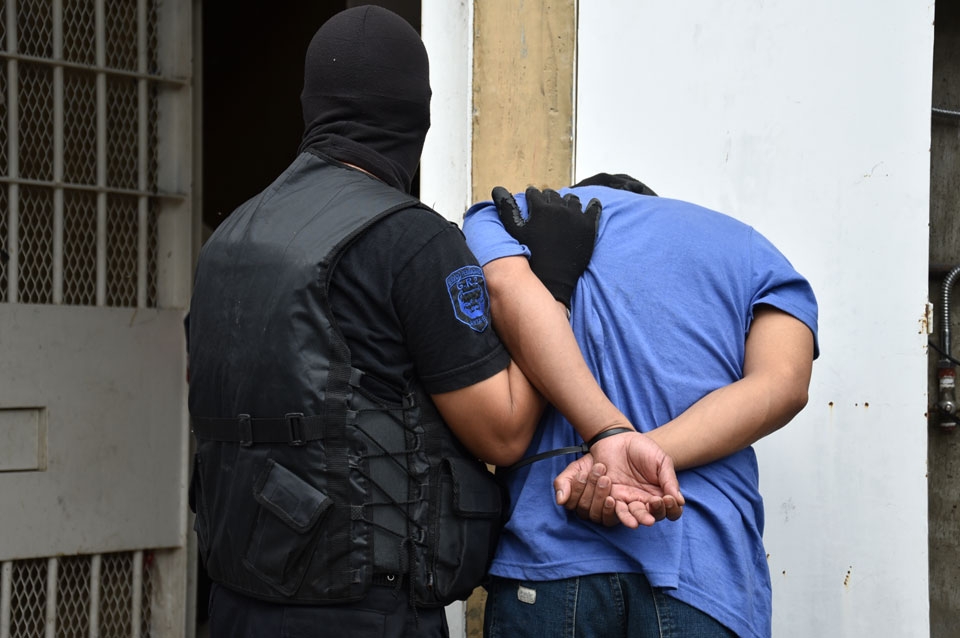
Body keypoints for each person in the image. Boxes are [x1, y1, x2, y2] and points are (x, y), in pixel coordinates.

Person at [185, 8, 681, 638]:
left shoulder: (228, 239)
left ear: (312, 107)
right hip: (360, 612)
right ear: (416, 116)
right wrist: (551, 284)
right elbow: (503, 431)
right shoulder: (409, 239)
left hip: (235, 602)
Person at [461, 175, 819, 638]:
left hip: (548, 555)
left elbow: (501, 289)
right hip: (704, 568)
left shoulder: (507, 215)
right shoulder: (753, 251)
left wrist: (613, 457)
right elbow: (784, 384)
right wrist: (641, 455)